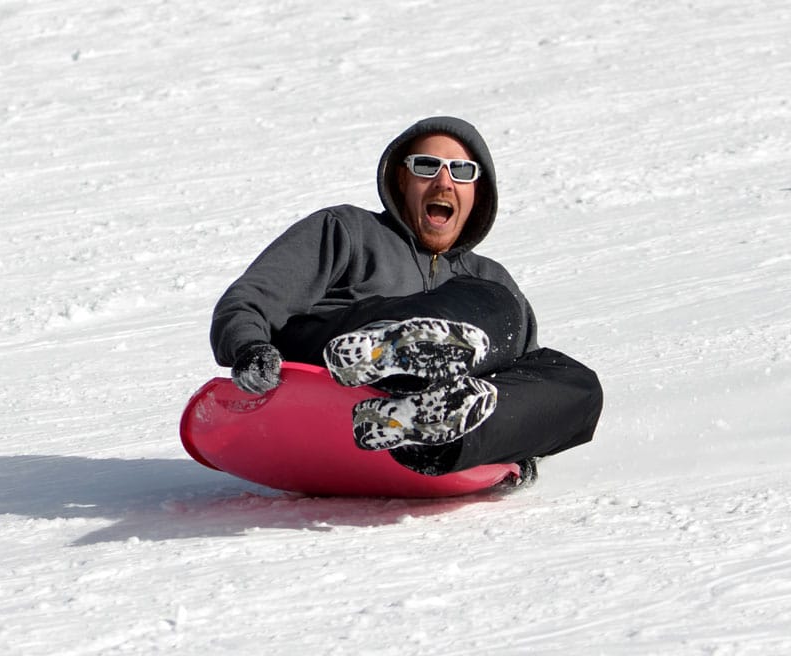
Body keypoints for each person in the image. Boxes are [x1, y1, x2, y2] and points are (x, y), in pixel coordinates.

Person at [210, 116, 602, 480]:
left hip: (417, 414)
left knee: (579, 384)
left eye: (461, 172)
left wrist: (520, 439)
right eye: (427, 166)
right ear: (402, 179)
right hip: (333, 363)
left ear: (475, 191)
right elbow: (248, 300)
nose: (444, 183)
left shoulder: (488, 278)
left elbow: (520, 371)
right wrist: (249, 348)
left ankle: (430, 431)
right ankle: (388, 350)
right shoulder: (348, 230)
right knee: (491, 300)